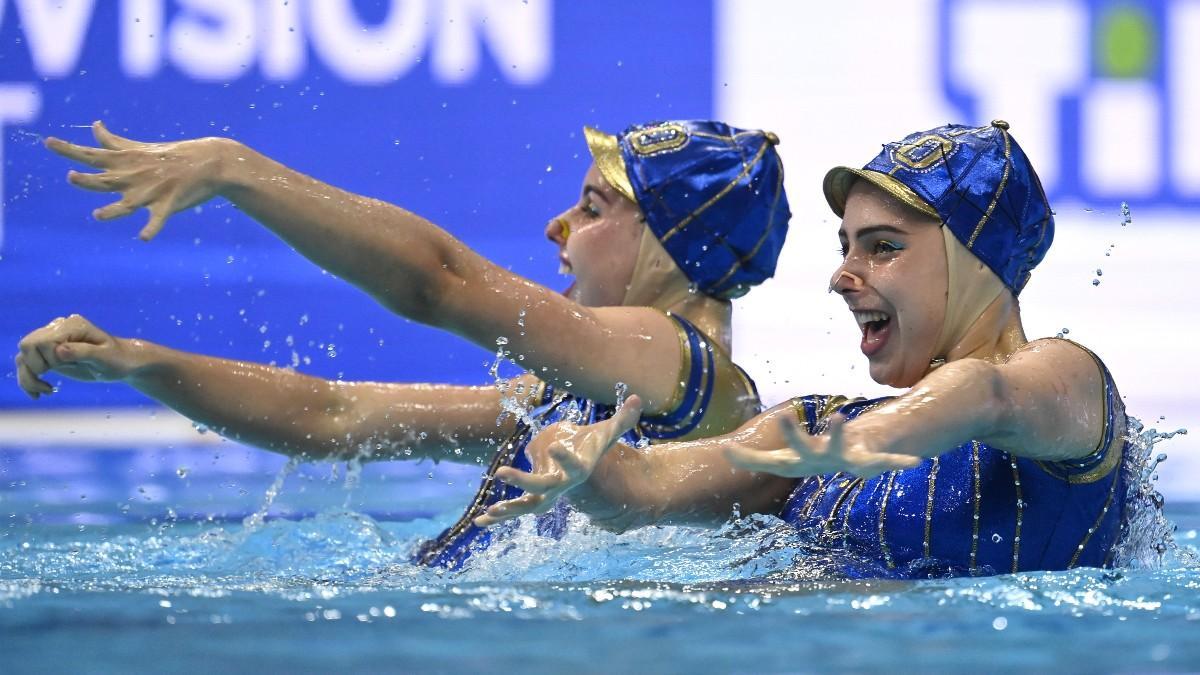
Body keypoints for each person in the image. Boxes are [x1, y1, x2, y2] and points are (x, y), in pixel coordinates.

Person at [17, 119, 791, 569]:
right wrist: (139, 362)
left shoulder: (674, 361)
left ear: (669, 243)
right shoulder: (595, 387)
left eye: (591, 207)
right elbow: (335, 415)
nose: (558, 226)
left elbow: (439, 282)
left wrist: (235, 169)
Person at [479, 120, 1129, 578]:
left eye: (883, 247)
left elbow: (986, 392)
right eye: (845, 246)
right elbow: (643, 487)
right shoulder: (819, 431)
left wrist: (890, 429)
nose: (843, 275)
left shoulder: (1070, 381)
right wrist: (576, 457)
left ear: (976, 264)